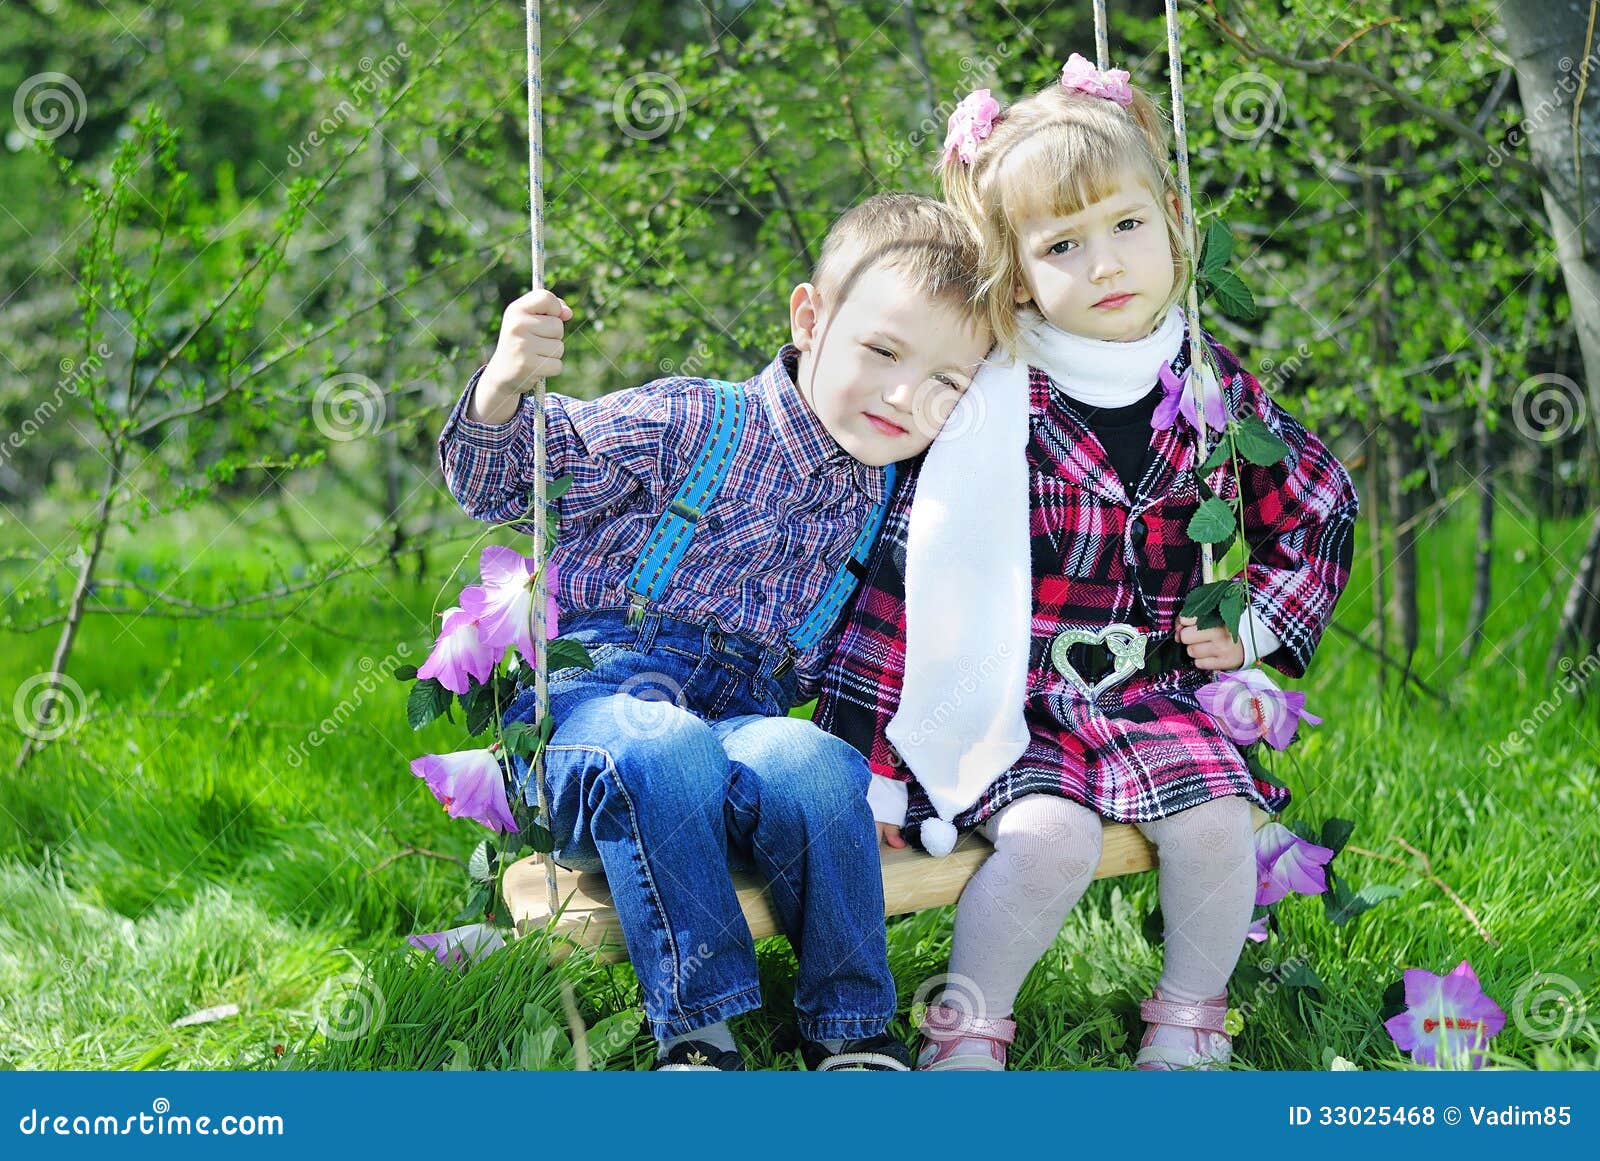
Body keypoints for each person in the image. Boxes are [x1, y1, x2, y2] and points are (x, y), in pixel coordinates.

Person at [813, 57, 1359, 1071]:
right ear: (1016, 272)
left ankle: (1189, 1020)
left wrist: (1255, 619)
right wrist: (874, 768)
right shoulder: (985, 397)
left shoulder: (1206, 386)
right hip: (1006, 700)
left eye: (1125, 226)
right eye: (1064, 245)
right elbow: (908, 581)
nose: (1106, 266)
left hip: (1151, 691)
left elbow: (1321, 503)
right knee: (1050, 842)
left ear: (1172, 219)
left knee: (1216, 818)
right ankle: (966, 1027)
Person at [436, 193, 990, 1071]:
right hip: (591, 716)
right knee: (662, 745)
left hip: (739, 726)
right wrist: (505, 383)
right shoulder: (694, 421)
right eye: (881, 350)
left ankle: (851, 1029)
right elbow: (506, 485)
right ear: (810, 320)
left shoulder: (902, 496)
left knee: (815, 763)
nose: (902, 394)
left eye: (946, 382)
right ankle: (697, 1034)